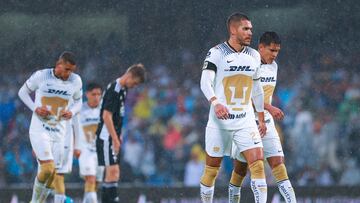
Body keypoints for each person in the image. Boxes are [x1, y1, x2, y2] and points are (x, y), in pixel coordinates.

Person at [199, 13, 267, 203]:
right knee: (211, 171)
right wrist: (215, 102)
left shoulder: (254, 55)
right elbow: (205, 82)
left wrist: (260, 116)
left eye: (251, 29)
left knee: (258, 166)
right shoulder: (217, 53)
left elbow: (257, 89)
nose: (250, 33)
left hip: (245, 121)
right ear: (232, 30)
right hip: (220, 122)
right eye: (245, 29)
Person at [229, 32, 297, 203]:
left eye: (277, 51)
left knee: (279, 166)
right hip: (245, 122)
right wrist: (270, 107)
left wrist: (268, 110)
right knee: (242, 170)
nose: (274, 54)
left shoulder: (273, 66)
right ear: (260, 48)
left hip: (266, 122)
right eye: (271, 50)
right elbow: (244, 97)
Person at [18, 51, 82, 203]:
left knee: (52, 174)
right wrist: (35, 108)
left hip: (59, 133)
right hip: (40, 129)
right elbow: (22, 92)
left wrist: (72, 112)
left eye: (72, 70)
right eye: (67, 70)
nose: (69, 74)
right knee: (47, 168)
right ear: (58, 65)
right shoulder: (42, 76)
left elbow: (79, 102)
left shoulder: (76, 81)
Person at [96, 64, 146, 203]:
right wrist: (115, 138)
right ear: (130, 76)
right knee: (112, 172)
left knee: (114, 173)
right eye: (134, 83)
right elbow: (106, 116)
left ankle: (110, 200)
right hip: (106, 136)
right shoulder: (115, 89)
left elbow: (118, 115)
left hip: (112, 136)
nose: (134, 86)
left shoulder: (123, 90)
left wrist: (119, 134)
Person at [78, 83, 103, 203]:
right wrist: (74, 146)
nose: (96, 97)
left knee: (96, 182)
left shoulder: (105, 111)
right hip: (85, 150)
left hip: (101, 151)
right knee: (91, 179)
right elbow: (73, 129)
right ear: (87, 94)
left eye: (99, 94)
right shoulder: (80, 110)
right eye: (94, 94)